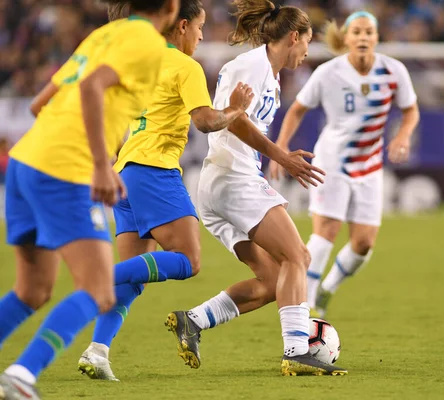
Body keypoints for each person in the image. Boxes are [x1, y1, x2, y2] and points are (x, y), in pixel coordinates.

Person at [0, 0, 180, 398]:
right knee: (99, 289)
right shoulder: (148, 43)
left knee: (33, 290)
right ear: (171, 7)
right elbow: (91, 86)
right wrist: (100, 163)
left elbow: (39, 102)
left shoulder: (104, 34)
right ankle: (22, 375)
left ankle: (20, 373)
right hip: (65, 169)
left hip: (25, 162)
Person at [74, 0, 254, 382]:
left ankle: (97, 350)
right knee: (189, 260)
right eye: (201, 28)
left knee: (133, 279)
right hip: (153, 170)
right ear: (183, 26)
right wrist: (236, 109)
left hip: (124, 170)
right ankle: (98, 277)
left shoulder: (142, 61)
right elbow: (206, 122)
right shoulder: (184, 65)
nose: (203, 37)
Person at [165, 0, 347, 376]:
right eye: (308, 42)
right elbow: (233, 120)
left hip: (226, 181)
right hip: (233, 178)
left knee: (273, 281)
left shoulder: (270, 76)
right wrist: (281, 156)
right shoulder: (252, 66)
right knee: (299, 257)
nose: (307, 52)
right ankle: (298, 350)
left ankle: (193, 321)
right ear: (293, 37)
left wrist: (275, 157)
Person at [269, 11, 420, 319]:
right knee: (326, 232)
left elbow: (410, 110)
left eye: (369, 32)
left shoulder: (394, 71)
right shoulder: (329, 72)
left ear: (377, 38)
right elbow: (297, 109)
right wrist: (281, 147)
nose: (363, 37)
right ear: (347, 38)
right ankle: (306, 308)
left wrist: (403, 135)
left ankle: (328, 288)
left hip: (370, 166)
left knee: (363, 244)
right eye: (357, 32)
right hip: (332, 163)